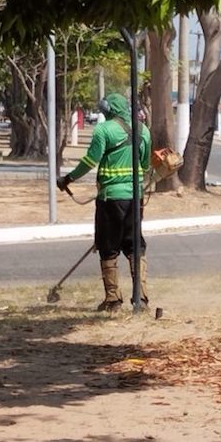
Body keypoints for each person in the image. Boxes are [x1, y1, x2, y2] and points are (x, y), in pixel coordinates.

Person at [56, 93, 151, 312]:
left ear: (109, 110)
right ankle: (142, 299)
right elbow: (145, 164)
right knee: (135, 245)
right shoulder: (143, 130)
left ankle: (112, 300)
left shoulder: (103, 130)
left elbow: (89, 161)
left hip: (110, 199)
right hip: (135, 199)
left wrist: (67, 179)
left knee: (108, 247)